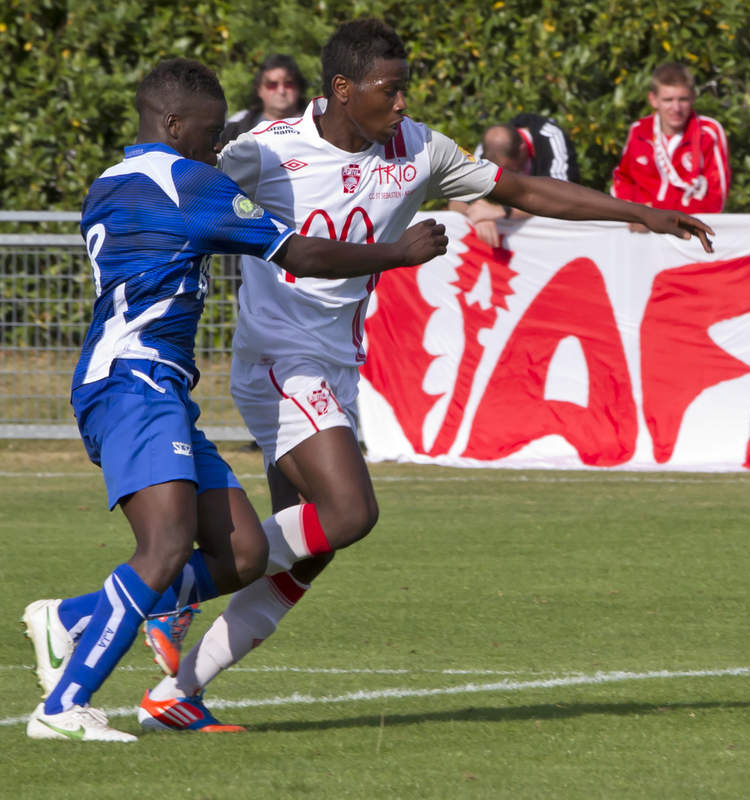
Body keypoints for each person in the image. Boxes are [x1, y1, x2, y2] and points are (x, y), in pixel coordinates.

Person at [137, 17, 715, 732]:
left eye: (406, 88)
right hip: (278, 359)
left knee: (313, 549)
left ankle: (178, 692)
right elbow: (172, 188)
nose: (404, 103)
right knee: (351, 513)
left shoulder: (420, 150)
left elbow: (525, 190)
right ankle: (173, 593)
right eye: (392, 89)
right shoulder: (267, 152)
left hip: (337, 365)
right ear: (344, 90)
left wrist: (640, 213)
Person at [21, 57, 450, 742]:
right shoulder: (186, 181)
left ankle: (73, 617)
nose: (216, 148)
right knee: (163, 546)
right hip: (134, 379)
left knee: (246, 552)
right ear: (172, 124)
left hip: (150, 385)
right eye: (209, 132)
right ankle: (63, 706)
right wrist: (397, 252)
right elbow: (299, 254)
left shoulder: (110, 182)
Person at [611, 62, 730, 230]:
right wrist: (635, 213)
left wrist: (667, 221)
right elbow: (622, 179)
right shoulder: (639, 130)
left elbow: (716, 198)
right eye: (668, 100)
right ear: (653, 100)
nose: (676, 108)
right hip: (641, 230)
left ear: (693, 98)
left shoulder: (708, 132)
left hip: (688, 231)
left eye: (683, 99)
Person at [449, 113, 580, 246]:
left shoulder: (551, 137)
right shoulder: (486, 150)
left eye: (508, 169)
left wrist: (501, 211)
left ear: (522, 150)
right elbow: (456, 201)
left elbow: (559, 197)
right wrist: (479, 216)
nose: (502, 176)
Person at [219, 54, 308, 146]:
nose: (281, 91)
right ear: (259, 89)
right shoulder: (234, 132)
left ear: (299, 87)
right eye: (272, 85)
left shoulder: (319, 128)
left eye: (288, 84)